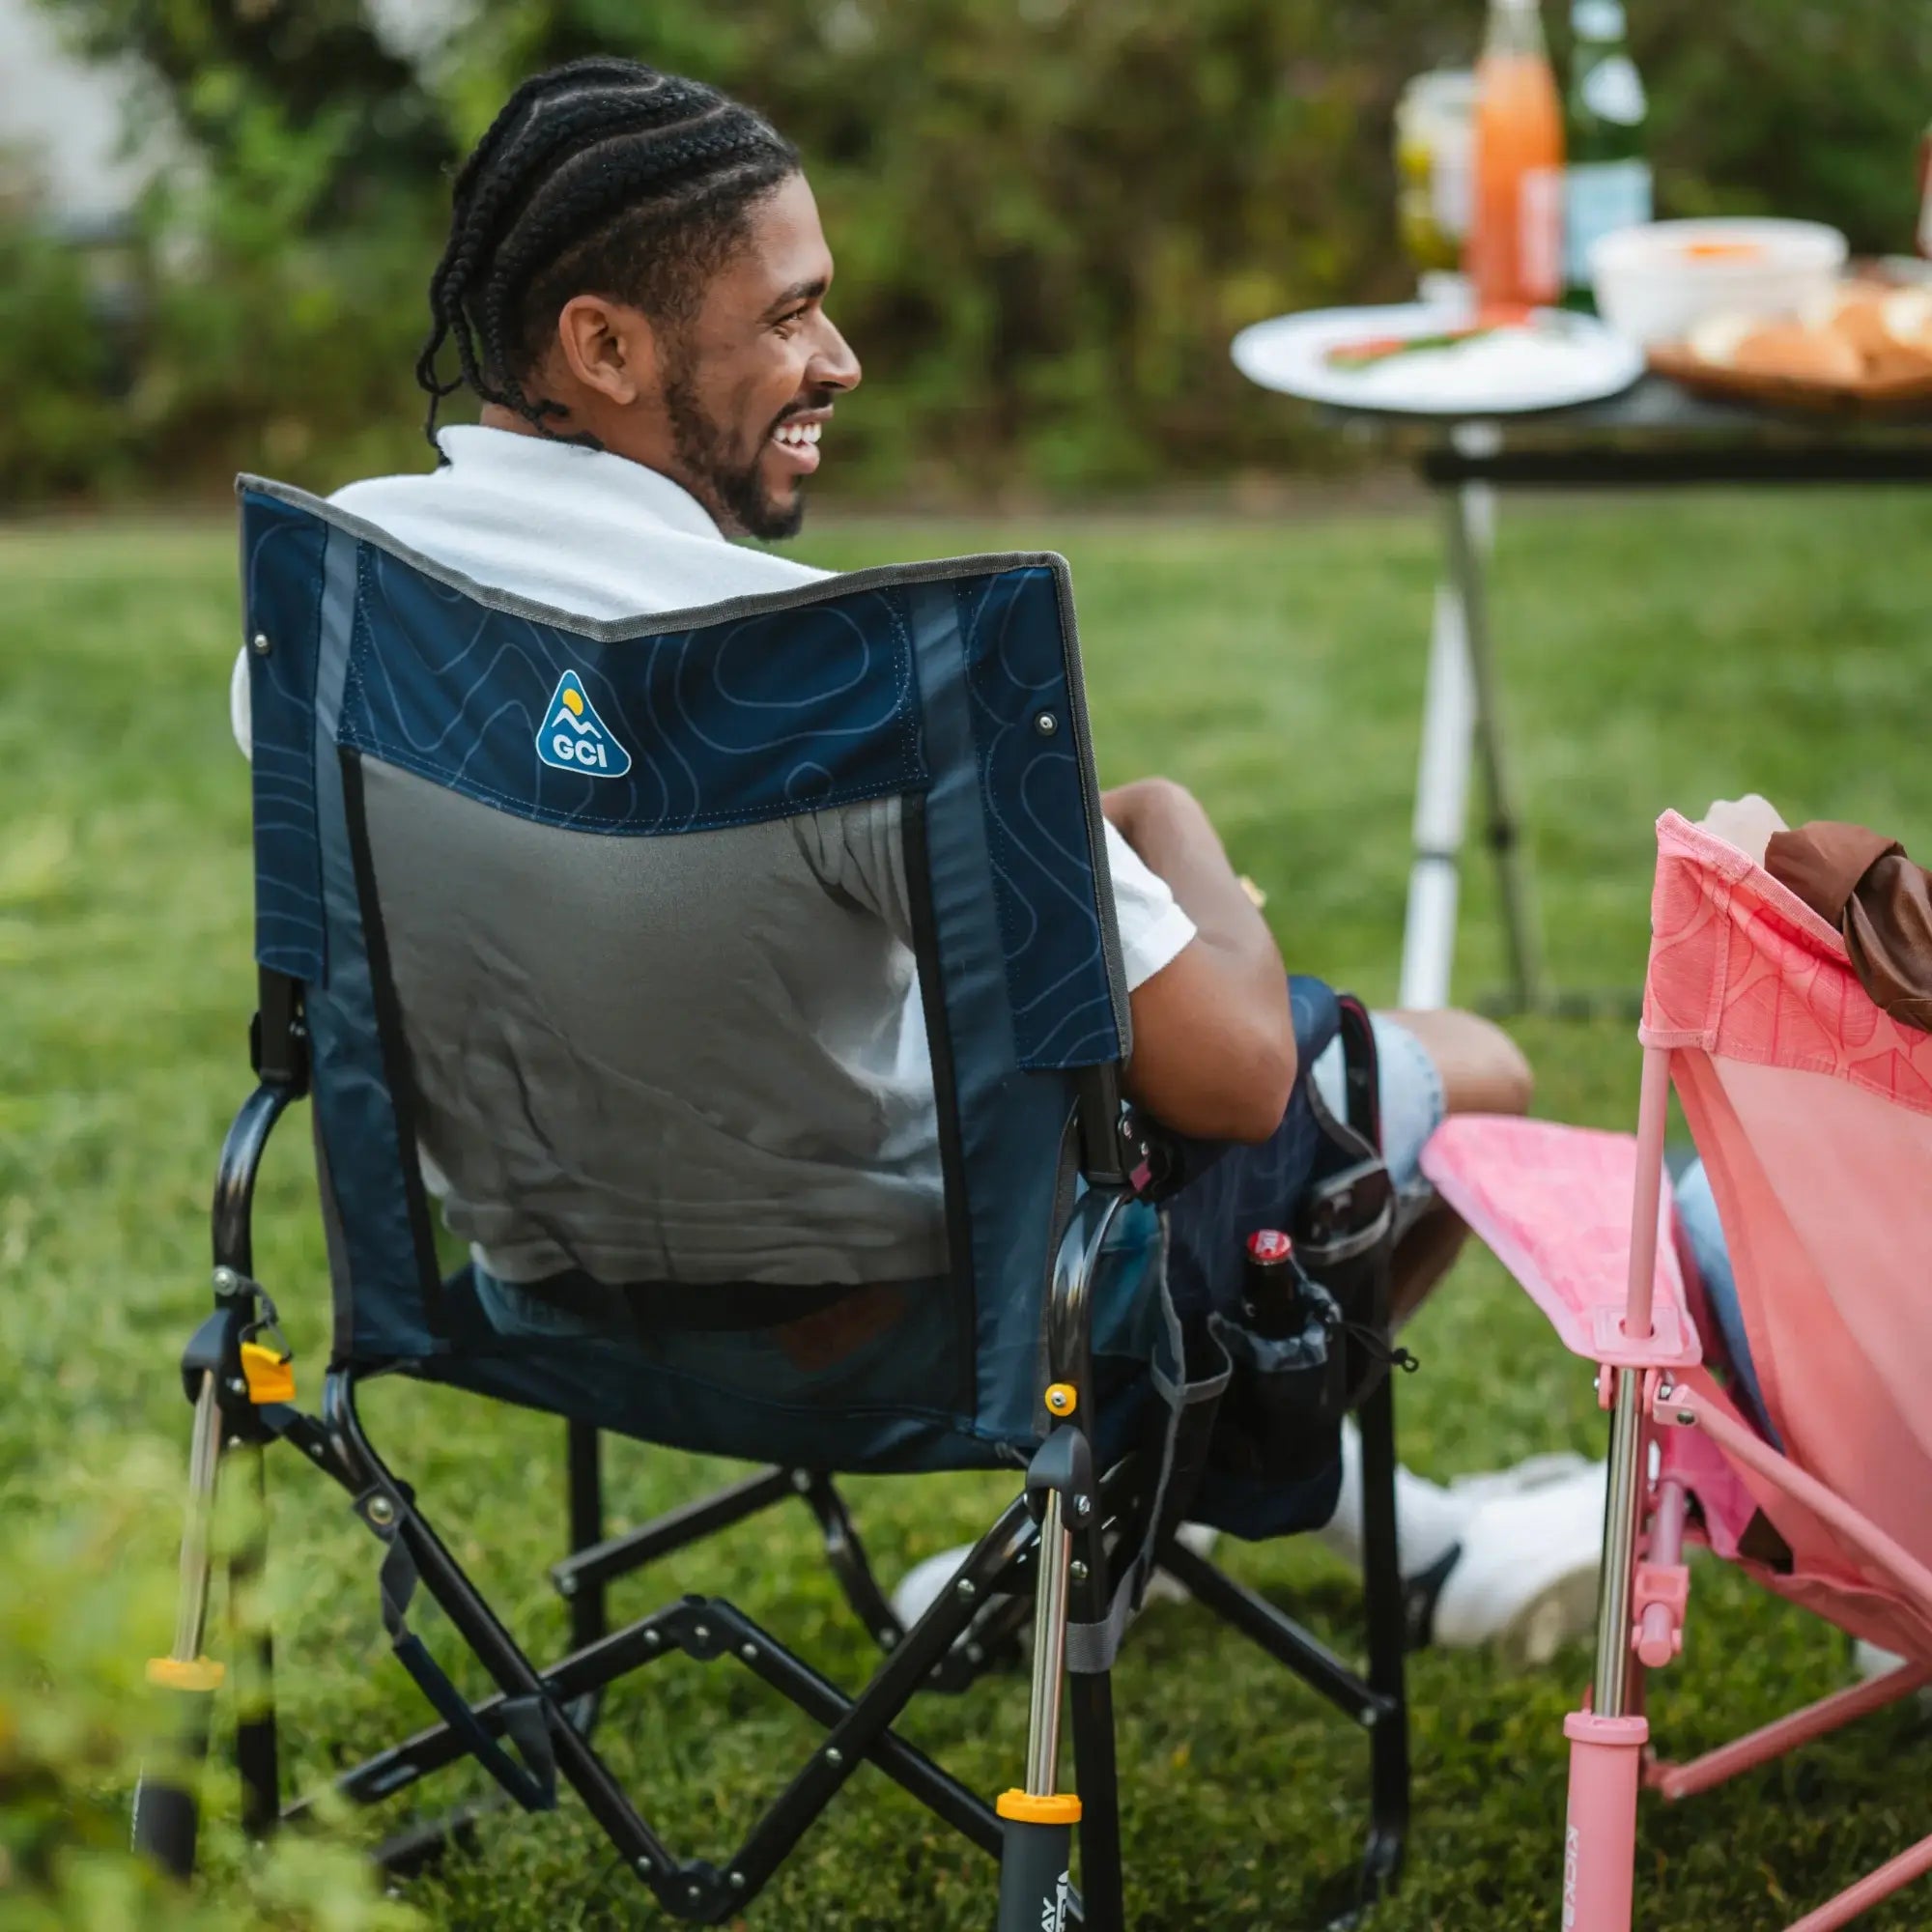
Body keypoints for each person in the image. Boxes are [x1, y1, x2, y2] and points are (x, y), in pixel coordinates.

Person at [228, 57, 1604, 1661]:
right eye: (790, 315)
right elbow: (1233, 1084)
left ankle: (1235, 1540)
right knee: (1474, 1074)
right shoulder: (844, 680)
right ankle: (1167, 1525)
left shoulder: (331, 627)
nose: (841, 360)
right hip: (932, 1326)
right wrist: (1171, 830)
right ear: (603, 345)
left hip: (546, 1287)